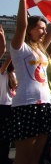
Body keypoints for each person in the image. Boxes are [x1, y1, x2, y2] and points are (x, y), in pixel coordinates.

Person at [8, 0, 51, 164]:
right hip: (26, 104)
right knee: (24, 156)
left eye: (44, 28)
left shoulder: (41, 49)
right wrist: (22, 0)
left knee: (37, 153)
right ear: (30, 30)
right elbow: (21, 25)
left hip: (44, 104)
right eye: (40, 28)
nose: (44, 31)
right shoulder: (20, 48)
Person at [0, 27, 16, 164]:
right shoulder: (3, 72)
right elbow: (7, 54)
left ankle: (4, 157)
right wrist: (3, 38)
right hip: (2, 107)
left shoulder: (15, 75)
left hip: (10, 107)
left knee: (7, 137)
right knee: (2, 136)